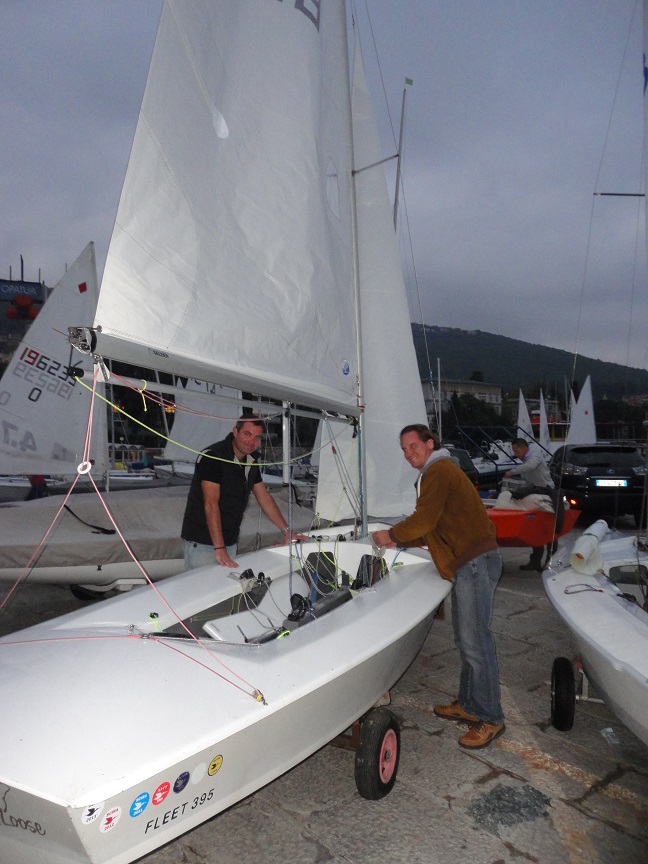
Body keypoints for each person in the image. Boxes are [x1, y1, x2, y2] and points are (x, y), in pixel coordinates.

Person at [371, 425, 505, 750]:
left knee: (476, 642)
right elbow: (431, 527)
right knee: (466, 640)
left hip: (473, 562)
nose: (408, 454)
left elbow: (423, 520)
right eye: (404, 449)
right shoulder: (438, 473)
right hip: (468, 563)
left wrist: (391, 535)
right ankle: (470, 704)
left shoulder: (439, 471)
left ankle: (491, 717)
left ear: (430, 443)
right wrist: (400, 540)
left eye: (413, 445)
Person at [181, 416, 304, 570]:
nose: (251, 441)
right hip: (203, 544)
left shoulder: (250, 461)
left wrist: (286, 532)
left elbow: (264, 497)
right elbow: (211, 504)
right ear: (235, 432)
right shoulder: (213, 456)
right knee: (201, 586)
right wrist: (219, 547)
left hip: (229, 542)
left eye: (257, 437)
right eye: (247, 434)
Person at [504, 437, 561, 572]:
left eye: (516, 451)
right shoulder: (525, 458)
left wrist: (512, 472)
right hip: (536, 492)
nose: (516, 454)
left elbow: (531, 466)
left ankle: (550, 562)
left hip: (547, 492)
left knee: (549, 529)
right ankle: (535, 561)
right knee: (536, 528)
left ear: (523, 448)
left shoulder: (535, 454)